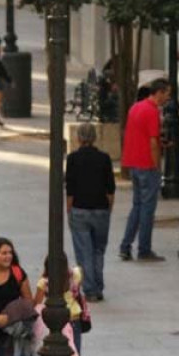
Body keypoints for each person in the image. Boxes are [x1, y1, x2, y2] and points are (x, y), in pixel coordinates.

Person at [119, 78, 171, 262]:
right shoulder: (152, 112)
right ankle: (144, 249)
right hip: (147, 164)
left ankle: (125, 246)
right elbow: (152, 142)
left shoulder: (136, 107)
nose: (168, 98)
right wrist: (157, 165)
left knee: (137, 206)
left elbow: (138, 134)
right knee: (148, 209)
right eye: (167, 94)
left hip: (133, 163)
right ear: (159, 93)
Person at [65, 122, 115, 301]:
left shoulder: (72, 159)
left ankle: (90, 289)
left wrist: (69, 209)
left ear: (78, 138)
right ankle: (98, 285)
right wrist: (108, 209)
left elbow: (70, 188)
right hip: (100, 208)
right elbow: (110, 188)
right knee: (98, 250)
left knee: (83, 250)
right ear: (94, 138)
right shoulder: (104, 158)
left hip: (80, 208)